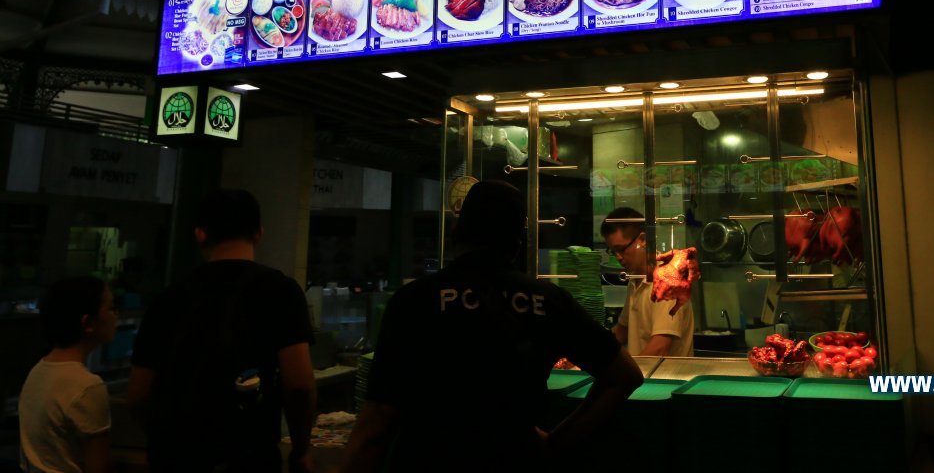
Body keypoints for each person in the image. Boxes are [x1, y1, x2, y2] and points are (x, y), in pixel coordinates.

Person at [340, 179, 643, 473]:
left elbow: (377, 423)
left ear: (456, 233)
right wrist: (557, 443)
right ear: (518, 242)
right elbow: (624, 375)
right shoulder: (547, 301)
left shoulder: (415, 300)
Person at [126, 189, 317, 473]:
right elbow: (299, 386)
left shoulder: (170, 297)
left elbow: (138, 394)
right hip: (249, 458)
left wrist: (166, 438)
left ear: (200, 234)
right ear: (259, 233)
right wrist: (301, 449)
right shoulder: (280, 291)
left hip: (174, 458)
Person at [18, 275, 118, 473]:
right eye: (111, 308)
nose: (116, 315)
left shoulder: (38, 370)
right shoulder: (87, 386)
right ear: (88, 322)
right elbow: (99, 467)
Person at [600, 206, 695, 356]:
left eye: (621, 249)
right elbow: (622, 330)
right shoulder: (636, 280)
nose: (618, 257)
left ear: (643, 240)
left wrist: (626, 372)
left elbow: (659, 348)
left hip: (664, 378)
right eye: (613, 251)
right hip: (644, 376)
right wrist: (588, 353)